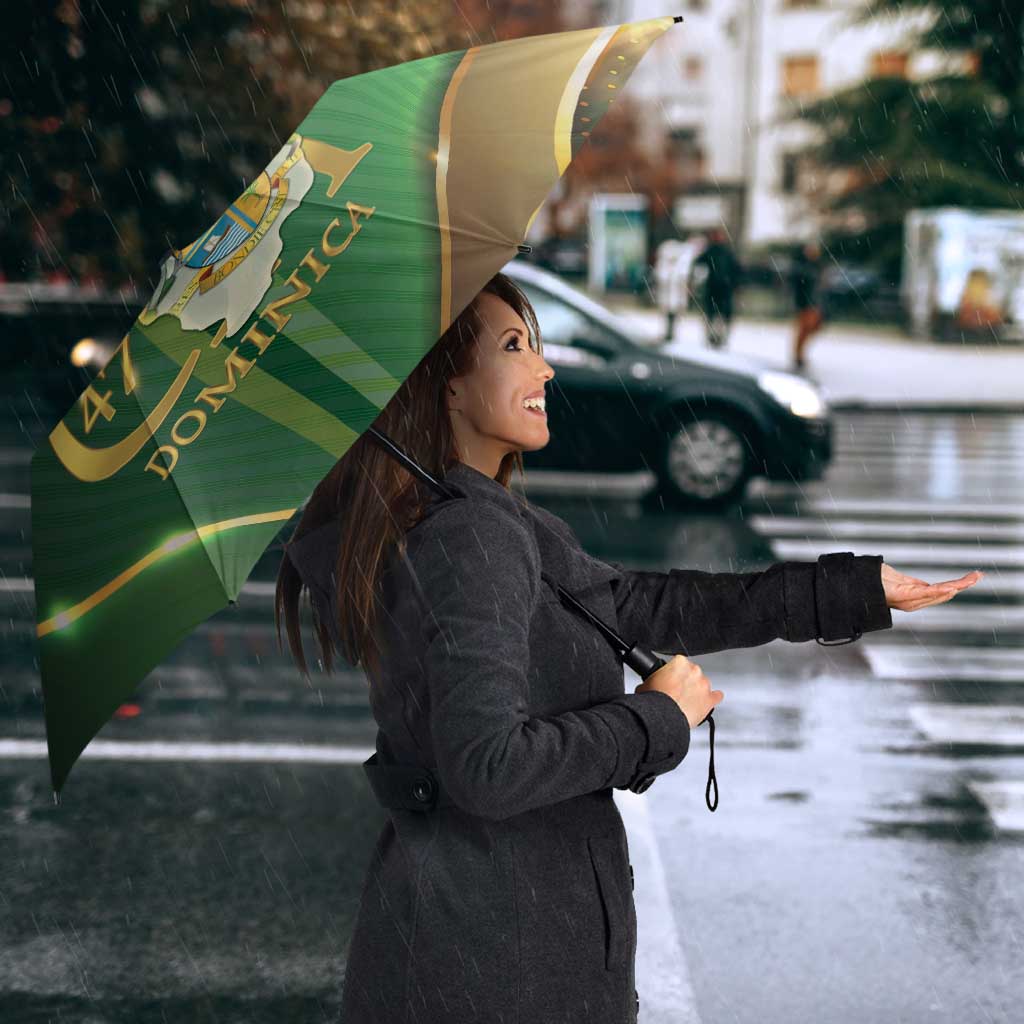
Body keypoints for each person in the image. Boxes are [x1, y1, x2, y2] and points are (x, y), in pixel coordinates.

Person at [276, 272, 982, 1024]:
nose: (544, 368)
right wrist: (655, 719)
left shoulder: (479, 519)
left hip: (479, 944)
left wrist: (848, 590)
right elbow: (487, 767)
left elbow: (643, 606)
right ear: (446, 388)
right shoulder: (470, 536)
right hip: (496, 963)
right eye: (515, 346)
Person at [692, 226, 742, 349]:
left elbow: (736, 270)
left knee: (720, 315)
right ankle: (713, 337)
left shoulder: (725, 252)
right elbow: (698, 264)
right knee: (713, 314)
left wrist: (735, 284)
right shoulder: (712, 251)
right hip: (715, 288)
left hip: (723, 288)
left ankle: (719, 337)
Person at [790, 239, 826, 370]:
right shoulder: (802, 267)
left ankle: (799, 354)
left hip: (814, 303)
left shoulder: (817, 266)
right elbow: (799, 286)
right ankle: (798, 355)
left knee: (812, 328)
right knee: (804, 329)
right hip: (805, 303)